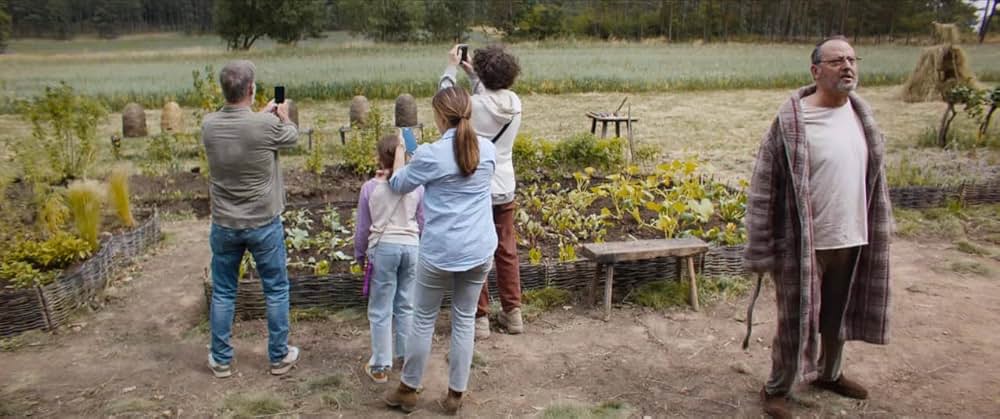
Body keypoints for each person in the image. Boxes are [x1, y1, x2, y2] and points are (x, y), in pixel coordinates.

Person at [742, 36, 892, 419]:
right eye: (836, 60)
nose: (847, 66)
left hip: (853, 233)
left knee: (838, 315)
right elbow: (763, 185)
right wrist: (760, 245)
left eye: (852, 59)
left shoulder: (861, 114)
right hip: (804, 242)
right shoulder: (794, 119)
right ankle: (777, 387)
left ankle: (829, 374)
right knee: (796, 319)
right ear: (815, 70)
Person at [383, 87, 497, 415]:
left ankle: (407, 390)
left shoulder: (431, 154)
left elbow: (397, 185)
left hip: (440, 252)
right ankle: (456, 395)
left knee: (423, 319)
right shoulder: (486, 150)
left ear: (438, 117)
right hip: (478, 250)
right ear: (468, 114)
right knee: (464, 320)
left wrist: (403, 152)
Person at [201, 60, 300, 378]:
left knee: (224, 290)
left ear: (224, 90)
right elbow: (292, 137)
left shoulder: (209, 125)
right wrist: (281, 117)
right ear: (251, 89)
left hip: (224, 223)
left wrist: (260, 115)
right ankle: (278, 356)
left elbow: (240, 127)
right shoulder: (266, 126)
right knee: (275, 289)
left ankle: (221, 359)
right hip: (263, 223)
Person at [439, 44, 524, 339]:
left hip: (477, 189)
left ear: (484, 73)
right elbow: (491, 96)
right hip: (505, 186)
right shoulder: (515, 102)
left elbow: (446, 99)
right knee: (506, 249)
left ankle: (480, 318)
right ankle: (513, 314)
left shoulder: (473, 106)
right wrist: (474, 73)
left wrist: (452, 67)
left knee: (478, 251)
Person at [354, 134, 425, 384]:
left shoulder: (370, 188)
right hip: (411, 247)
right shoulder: (416, 186)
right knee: (406, 304)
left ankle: (381, 365)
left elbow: (363, 228)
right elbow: (422, 220)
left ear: (379, 157)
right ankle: (404, 356)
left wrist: (360, 254)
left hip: (383, 248)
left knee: (380, 309)